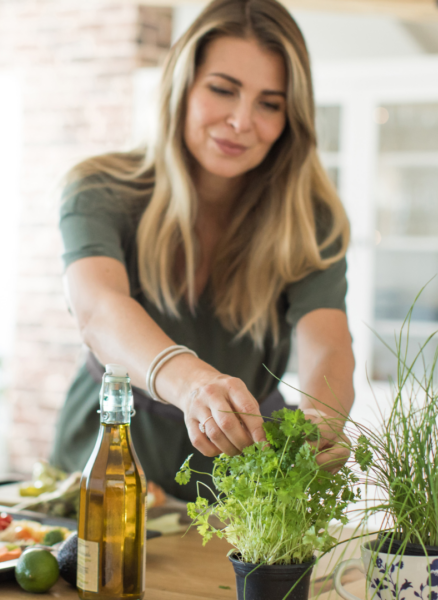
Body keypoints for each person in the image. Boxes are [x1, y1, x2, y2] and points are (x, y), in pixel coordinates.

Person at [51, 0, 355, 501]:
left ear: (290, 117)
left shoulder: (312, 219)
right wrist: (195, 387)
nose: (240, 121)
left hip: (245, 470)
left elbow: (328, 344)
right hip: (110, 447)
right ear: (182, 86)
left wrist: (323, 418)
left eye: (269, 103)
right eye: (222, 89)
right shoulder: (98, 188)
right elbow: (99, 311)